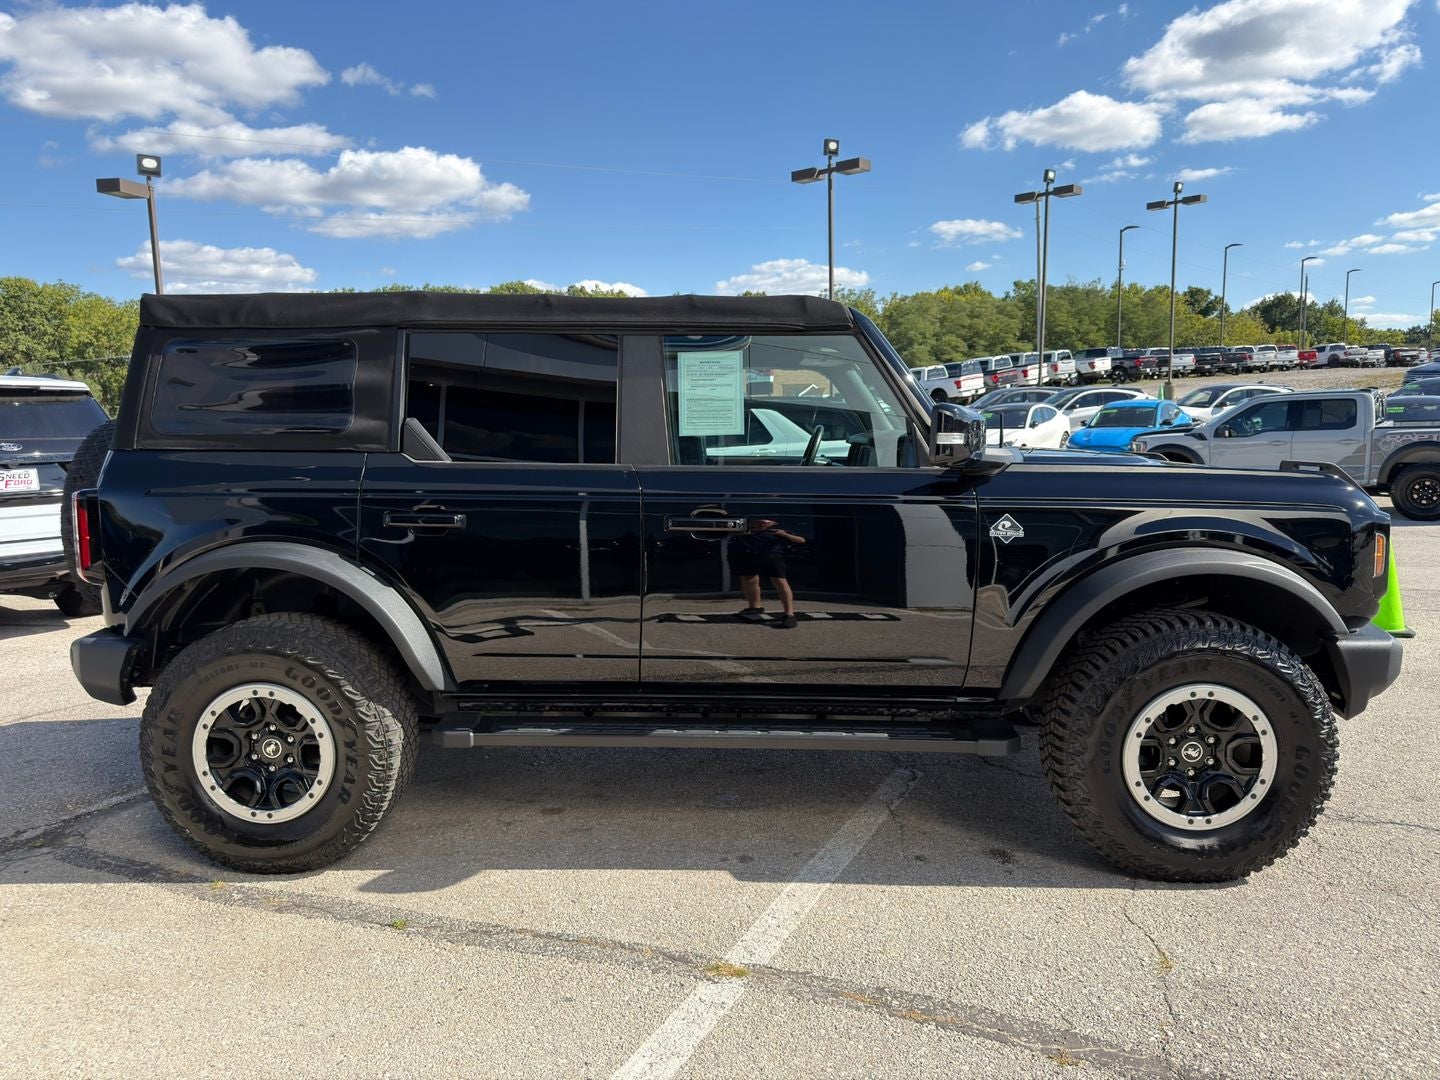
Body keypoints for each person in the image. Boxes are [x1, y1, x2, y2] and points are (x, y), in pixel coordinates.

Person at [731, 518, 806, 629]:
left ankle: (789, 614)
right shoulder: (745, 531)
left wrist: (785, 535)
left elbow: (801, 540)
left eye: (765, 523)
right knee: (749, 579)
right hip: (749, 556)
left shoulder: (776, 531)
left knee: (779, 581)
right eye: (759, 523)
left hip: (773, 557)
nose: (762, 525)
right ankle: (754, 607)